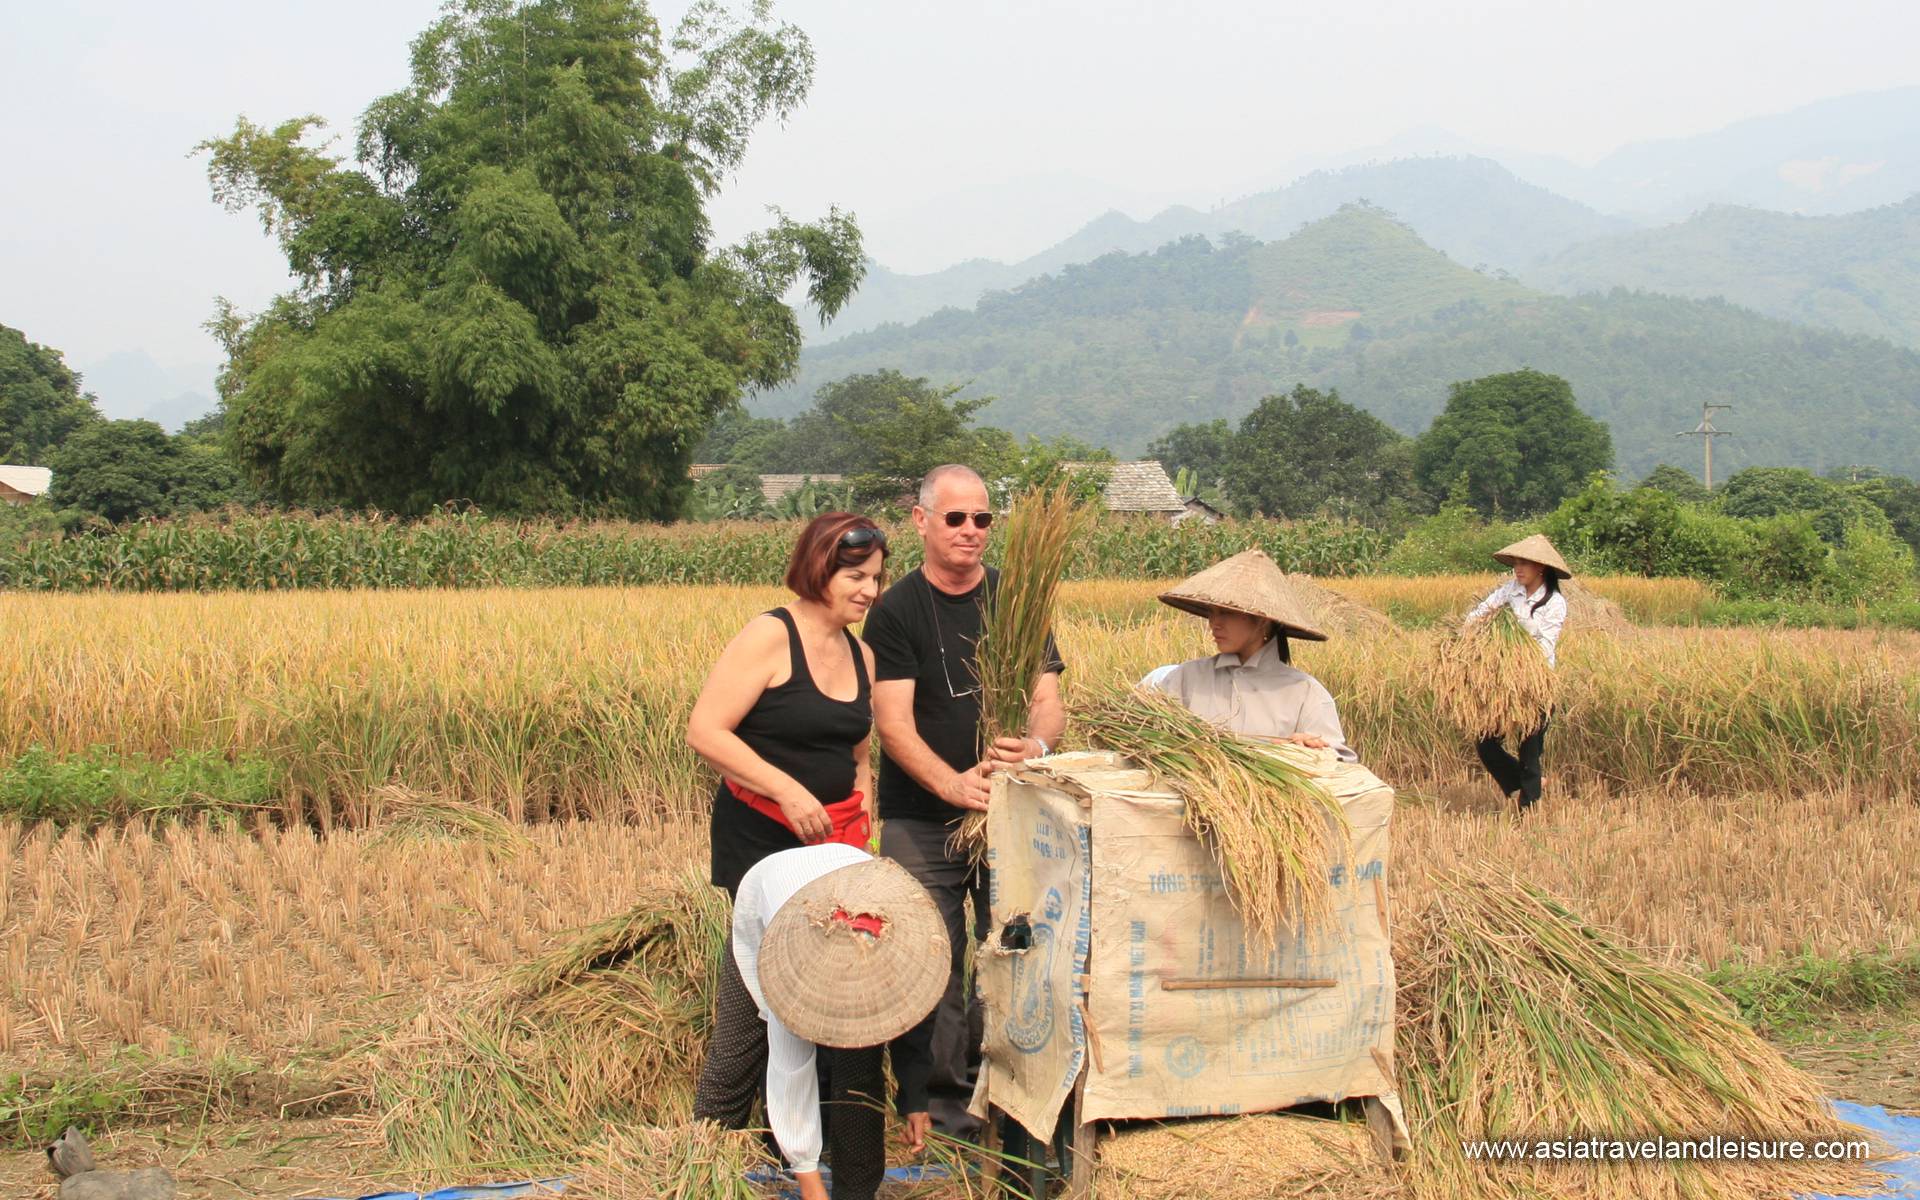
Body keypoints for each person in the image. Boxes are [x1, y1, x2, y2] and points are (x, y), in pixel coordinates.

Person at [863, 463, 1066, 1138]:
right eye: (956, 518)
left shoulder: (1018, 597)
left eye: (983, 519)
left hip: (1009, 815)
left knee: (1009, 953)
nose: (972, 531)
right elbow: (891, 722)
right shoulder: (896, 610)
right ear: (921, 522)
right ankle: (939, 1110)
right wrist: (952, 785)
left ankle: (1004, 1099)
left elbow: (1047, 701)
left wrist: (1034, 749)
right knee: (934, 963)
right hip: (923, 819)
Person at [700, 845, 950, 1200]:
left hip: (852, 885)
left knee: (859, 1074)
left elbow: (915, 1017)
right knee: (734, 1055)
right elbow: (790, 1070)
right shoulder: (794, 966)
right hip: (770, 910)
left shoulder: (915, 939)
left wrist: (914, 1097)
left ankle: (858, 1192)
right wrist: (809, 1180)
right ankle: (701, 1172)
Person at [687, 512, 888, 897]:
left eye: (876, 578)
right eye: (857, 577)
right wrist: (787, 792)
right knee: (766, 954)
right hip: (761, 841)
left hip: (834, 844)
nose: (871, 591)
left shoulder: (863, 655)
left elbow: (858, 760)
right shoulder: (771, 634)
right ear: (819, 570)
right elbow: (705, 731)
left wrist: (862, 841)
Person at [1147, 548, 1356, 759]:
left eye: (1227, 612)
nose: (1214, 623)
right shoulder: (1185, 678)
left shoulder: (1304, 692)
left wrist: (1311, 751)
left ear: (1262, 620)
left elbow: (1339, 764)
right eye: (1211, 612)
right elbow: (1146, 738)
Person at [1462, 533, 1570, 811]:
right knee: (1486, 743)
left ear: (1541, 568)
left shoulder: (1555, 602)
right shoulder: (1510, 591)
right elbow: (1479, 613)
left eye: (1525, 564)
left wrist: (1517, 633)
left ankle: (1528, 811)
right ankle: (1521, 784)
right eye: (1516, 563)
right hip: (1504, 683)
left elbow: (1544, 647)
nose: (1518, 569)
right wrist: (1474, 630)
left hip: (1537, 684)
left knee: (1529, 751)